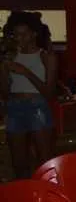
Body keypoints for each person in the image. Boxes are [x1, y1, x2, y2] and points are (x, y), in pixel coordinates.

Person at [0, 11, 57, 178]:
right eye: (16, 34)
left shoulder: (46, 56)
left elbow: (49, 93)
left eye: (24, 34)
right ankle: (25, 192)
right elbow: (5, 93)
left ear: (34, 33)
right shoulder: (10, 57)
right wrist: (3, 71)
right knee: (18, 164)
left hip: (37, 107)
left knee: (45, 162)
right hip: (14, 108)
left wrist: (25, 72)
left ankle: (45, 192)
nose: (20, 38)